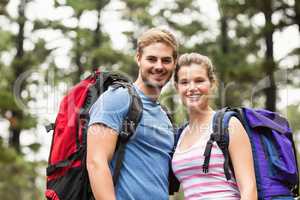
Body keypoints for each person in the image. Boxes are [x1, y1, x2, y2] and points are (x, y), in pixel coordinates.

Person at [86, 27, 178, 200]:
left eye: (166, 60)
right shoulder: (118, 98)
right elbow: (96, 162)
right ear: (138, 58)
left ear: (174, 63)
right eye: (151, 59)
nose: (159, 66)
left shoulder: (165, 116)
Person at [172, 53, 257, 199]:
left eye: (199, 81)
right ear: (176, 87)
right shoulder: (180, 134)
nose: (192, 88)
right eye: (184, 82)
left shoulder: (229, 124)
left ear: (212, 84)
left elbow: (249, 189)